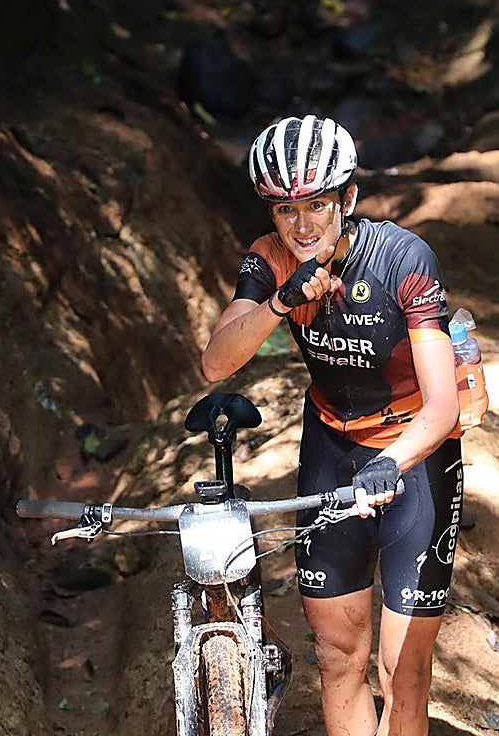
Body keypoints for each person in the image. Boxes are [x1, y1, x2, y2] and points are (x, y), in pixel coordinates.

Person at [201, 114, 464, 736]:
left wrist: (388, 462)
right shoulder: (269, 260)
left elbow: (443, 406)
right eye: (284, 209)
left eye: (317, 204)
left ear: (348, 198)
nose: (302, 224)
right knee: (337, 656)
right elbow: (216, 362)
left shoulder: (403, 258)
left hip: (414, 455)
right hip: (329, 444)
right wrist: (281, 301)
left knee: (404, 670)